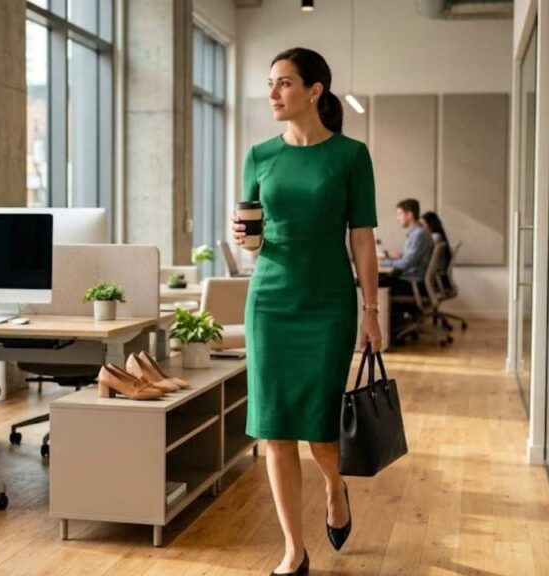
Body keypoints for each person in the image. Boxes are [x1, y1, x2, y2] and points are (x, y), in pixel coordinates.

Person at [231, 47, 382, 576]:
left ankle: (335, 486)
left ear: (314, 91)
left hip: (328, 305)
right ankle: (294, 550)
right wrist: (244, 240)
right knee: (275, 429)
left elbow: (362, 239)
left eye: (285, 83)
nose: (273, 93)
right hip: (270, 301)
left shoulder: (350, 156)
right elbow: (251, 236)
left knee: (320, 427)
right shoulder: (258, 156)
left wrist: (371, 309)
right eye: (270, 84)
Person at [381, 199, 434, 293]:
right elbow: (411, 259)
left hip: (413, 283)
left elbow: (406, 264)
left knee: (367, 283)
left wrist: (381, 262)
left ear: (409, 215)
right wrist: (399, 256)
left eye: (399, 214)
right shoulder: (417, 232)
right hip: (412, 280)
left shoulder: (418, 234)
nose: (397, 218)